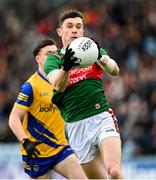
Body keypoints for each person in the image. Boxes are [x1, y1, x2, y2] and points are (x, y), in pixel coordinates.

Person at [44, 10, 124, 179]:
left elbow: (115, 70)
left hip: (101, 117)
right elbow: (57, 85)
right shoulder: (54, 59)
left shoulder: (92, 50)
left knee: (114, 171)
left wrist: (100, 57)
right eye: (70, 26)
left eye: (79, 27)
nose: (75, 30)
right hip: (75, 126)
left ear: (83, 31)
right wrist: (65, 67)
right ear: (60, 32)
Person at [8, 39, 87, 179]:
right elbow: (13, 119)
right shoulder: (30, 86)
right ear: (38, 59)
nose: (53, 56)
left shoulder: (62, 81)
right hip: (37, 152)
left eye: (55, 53)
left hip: (61, 148)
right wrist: (25, 141)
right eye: (48, 53)